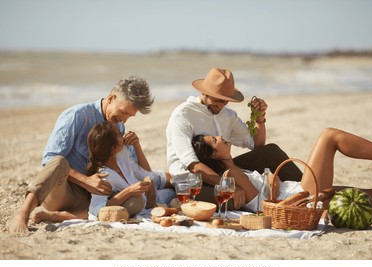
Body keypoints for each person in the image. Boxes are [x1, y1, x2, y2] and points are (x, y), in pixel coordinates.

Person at [9, 76, 155, 234]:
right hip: (64, 191)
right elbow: (49, 160)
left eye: (129, 116)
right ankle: (22, 215)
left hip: (93, 199)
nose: (124, 121)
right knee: (58, 161)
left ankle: (59, 216)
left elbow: (135, 168)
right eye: (123, 112)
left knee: (134, 200)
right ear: (112, 98)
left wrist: (136, 146)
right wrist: (86, 181)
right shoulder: (77, 116)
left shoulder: (118, 127)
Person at [166, 67, 302, 208]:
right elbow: (192, 165)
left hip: (223, 170)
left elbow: (256, 145)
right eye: (217, 100)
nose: (221, 105)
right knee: (232, 198)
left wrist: (259, 118)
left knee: (271, 151)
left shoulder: (228, 114)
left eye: (225, 101)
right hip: (193, 179)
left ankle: (310, 190)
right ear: (204, 93)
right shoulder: (183, 115)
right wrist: (228, 185)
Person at [191, 129, 372, 214]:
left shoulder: (238, 169)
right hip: (303, 198)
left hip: (299, 190)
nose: (220, 136)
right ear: (215, 156)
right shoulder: (232, 174)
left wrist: (271, 179)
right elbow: (265, 202)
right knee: (329, 136)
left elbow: (267, 187)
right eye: (215, 140)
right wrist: (271, 181)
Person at [86, 121, 175, 219]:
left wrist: (137, 146)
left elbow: (146, 173)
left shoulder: (122, 155)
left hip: (152, 194)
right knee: (173, 193)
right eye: (119, 134)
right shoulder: (103, 177)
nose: (123, 135)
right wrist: (129, 191)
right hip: (147, 203)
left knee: (175, 180)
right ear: (113, 147)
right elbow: (97, 209)